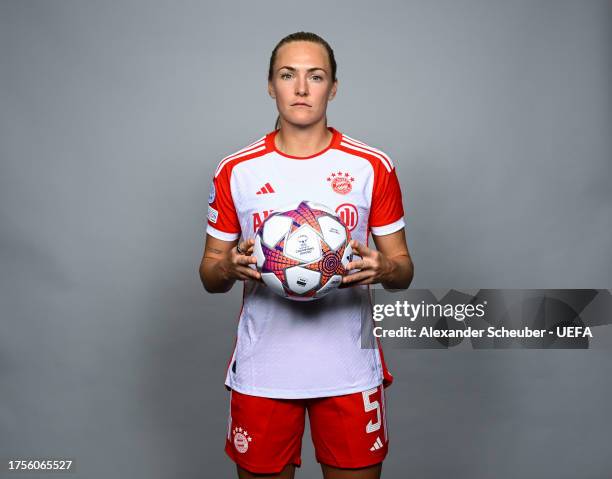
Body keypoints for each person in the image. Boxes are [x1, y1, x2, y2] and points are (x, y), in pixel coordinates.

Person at [199, 32, 414, 479]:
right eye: (287, 75)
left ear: (332, 87)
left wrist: (384, 267)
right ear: (270, 84)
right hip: (264, 373)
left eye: (315, 76)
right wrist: (229, 266)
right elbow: (209, 273)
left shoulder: (371, 165)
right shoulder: (237, 170)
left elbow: (403, 270)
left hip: (350, 372)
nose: (301, 88)